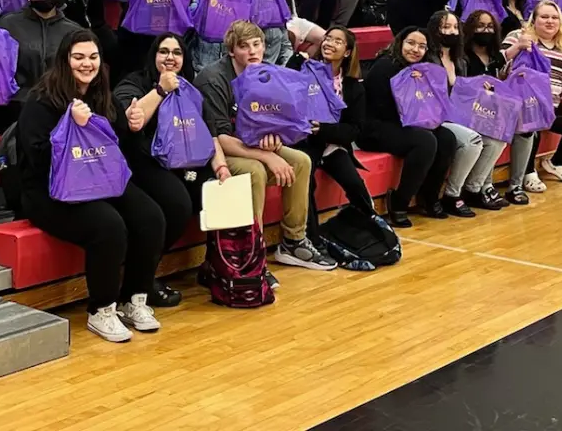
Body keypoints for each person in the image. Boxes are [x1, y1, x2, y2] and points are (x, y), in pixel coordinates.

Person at [15, 30, 166, 342]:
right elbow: (38, 156)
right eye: (78, 57)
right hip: (49, 189)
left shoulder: (100, 93)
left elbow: (116, 143)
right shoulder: (41, 99)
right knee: (109, 226)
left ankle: (133, 299)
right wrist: (70, 127)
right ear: (64, 61)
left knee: (150, 217)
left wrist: (132, 124)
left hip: (98, 181)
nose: (87, 63)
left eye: (93, 57)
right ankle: (101, 309)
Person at [195, 21, 338, 283]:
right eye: (244, 46)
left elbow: (279, 124)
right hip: (217, 151)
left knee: (302, 161)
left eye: (257, 44)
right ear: (231, 51)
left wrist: (274, 142)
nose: (252, 51)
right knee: (255, 171)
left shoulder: (267, 74)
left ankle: (293, 241)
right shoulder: (213, 79)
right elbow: (219, 137)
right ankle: (252, 251)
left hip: (252, 145)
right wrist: (267, 155)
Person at [113, 31, 231, 307]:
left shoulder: (191, 89)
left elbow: (209, 135)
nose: (170, 57)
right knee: (177, 203)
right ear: (153, 56)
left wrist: (222, 167)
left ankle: (222, 268)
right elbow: (131, 121)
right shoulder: (134, 82)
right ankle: (142, 277)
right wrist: (160, 90)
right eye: (163, 51)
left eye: (176, 52)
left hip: (184, 161)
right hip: (140, 161)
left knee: (215, 191)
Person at [358, 26, 455, 226]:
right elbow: (380, 108)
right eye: (411, 43)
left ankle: (429, 197)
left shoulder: (424, 71)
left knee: (447, 138)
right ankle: (399, 201)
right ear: (400, 42)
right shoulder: (384, 66)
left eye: (422, 46)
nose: (415, 49)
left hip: (410, 123)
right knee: (425, 141)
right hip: (377, 126)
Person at [288, 26, 376, 241]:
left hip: (331, 141)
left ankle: (370, 226)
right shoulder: (302, 67)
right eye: (328, 38)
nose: (329, 43)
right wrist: (296, 62)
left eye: (338, 41)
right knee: (307, 179)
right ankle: (311, 237)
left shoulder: (353, 87)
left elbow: (354, 129)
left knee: (354, 183)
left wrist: (324, 130)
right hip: (304, 141)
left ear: (347, 52)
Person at [500, 0, 562, 196]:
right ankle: (528, 172)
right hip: (524, 103)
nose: (550, 21)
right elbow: (499, 64)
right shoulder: (518, 36)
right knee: (533, 125)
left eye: (554, 17)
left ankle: (557, 162)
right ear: (534, 20)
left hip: (553, 104)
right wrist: (517, 48)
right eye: (544, 17)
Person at [459, 10, 513, 210]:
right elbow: (459, 87)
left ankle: (480, 187)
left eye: (490, 26)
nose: (485, 30)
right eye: (481, 26)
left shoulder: (494, 56)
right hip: (465, 111)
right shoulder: (463, 56)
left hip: (486, 112)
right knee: (491, 134)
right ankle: (480, 187)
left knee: (501, 133)